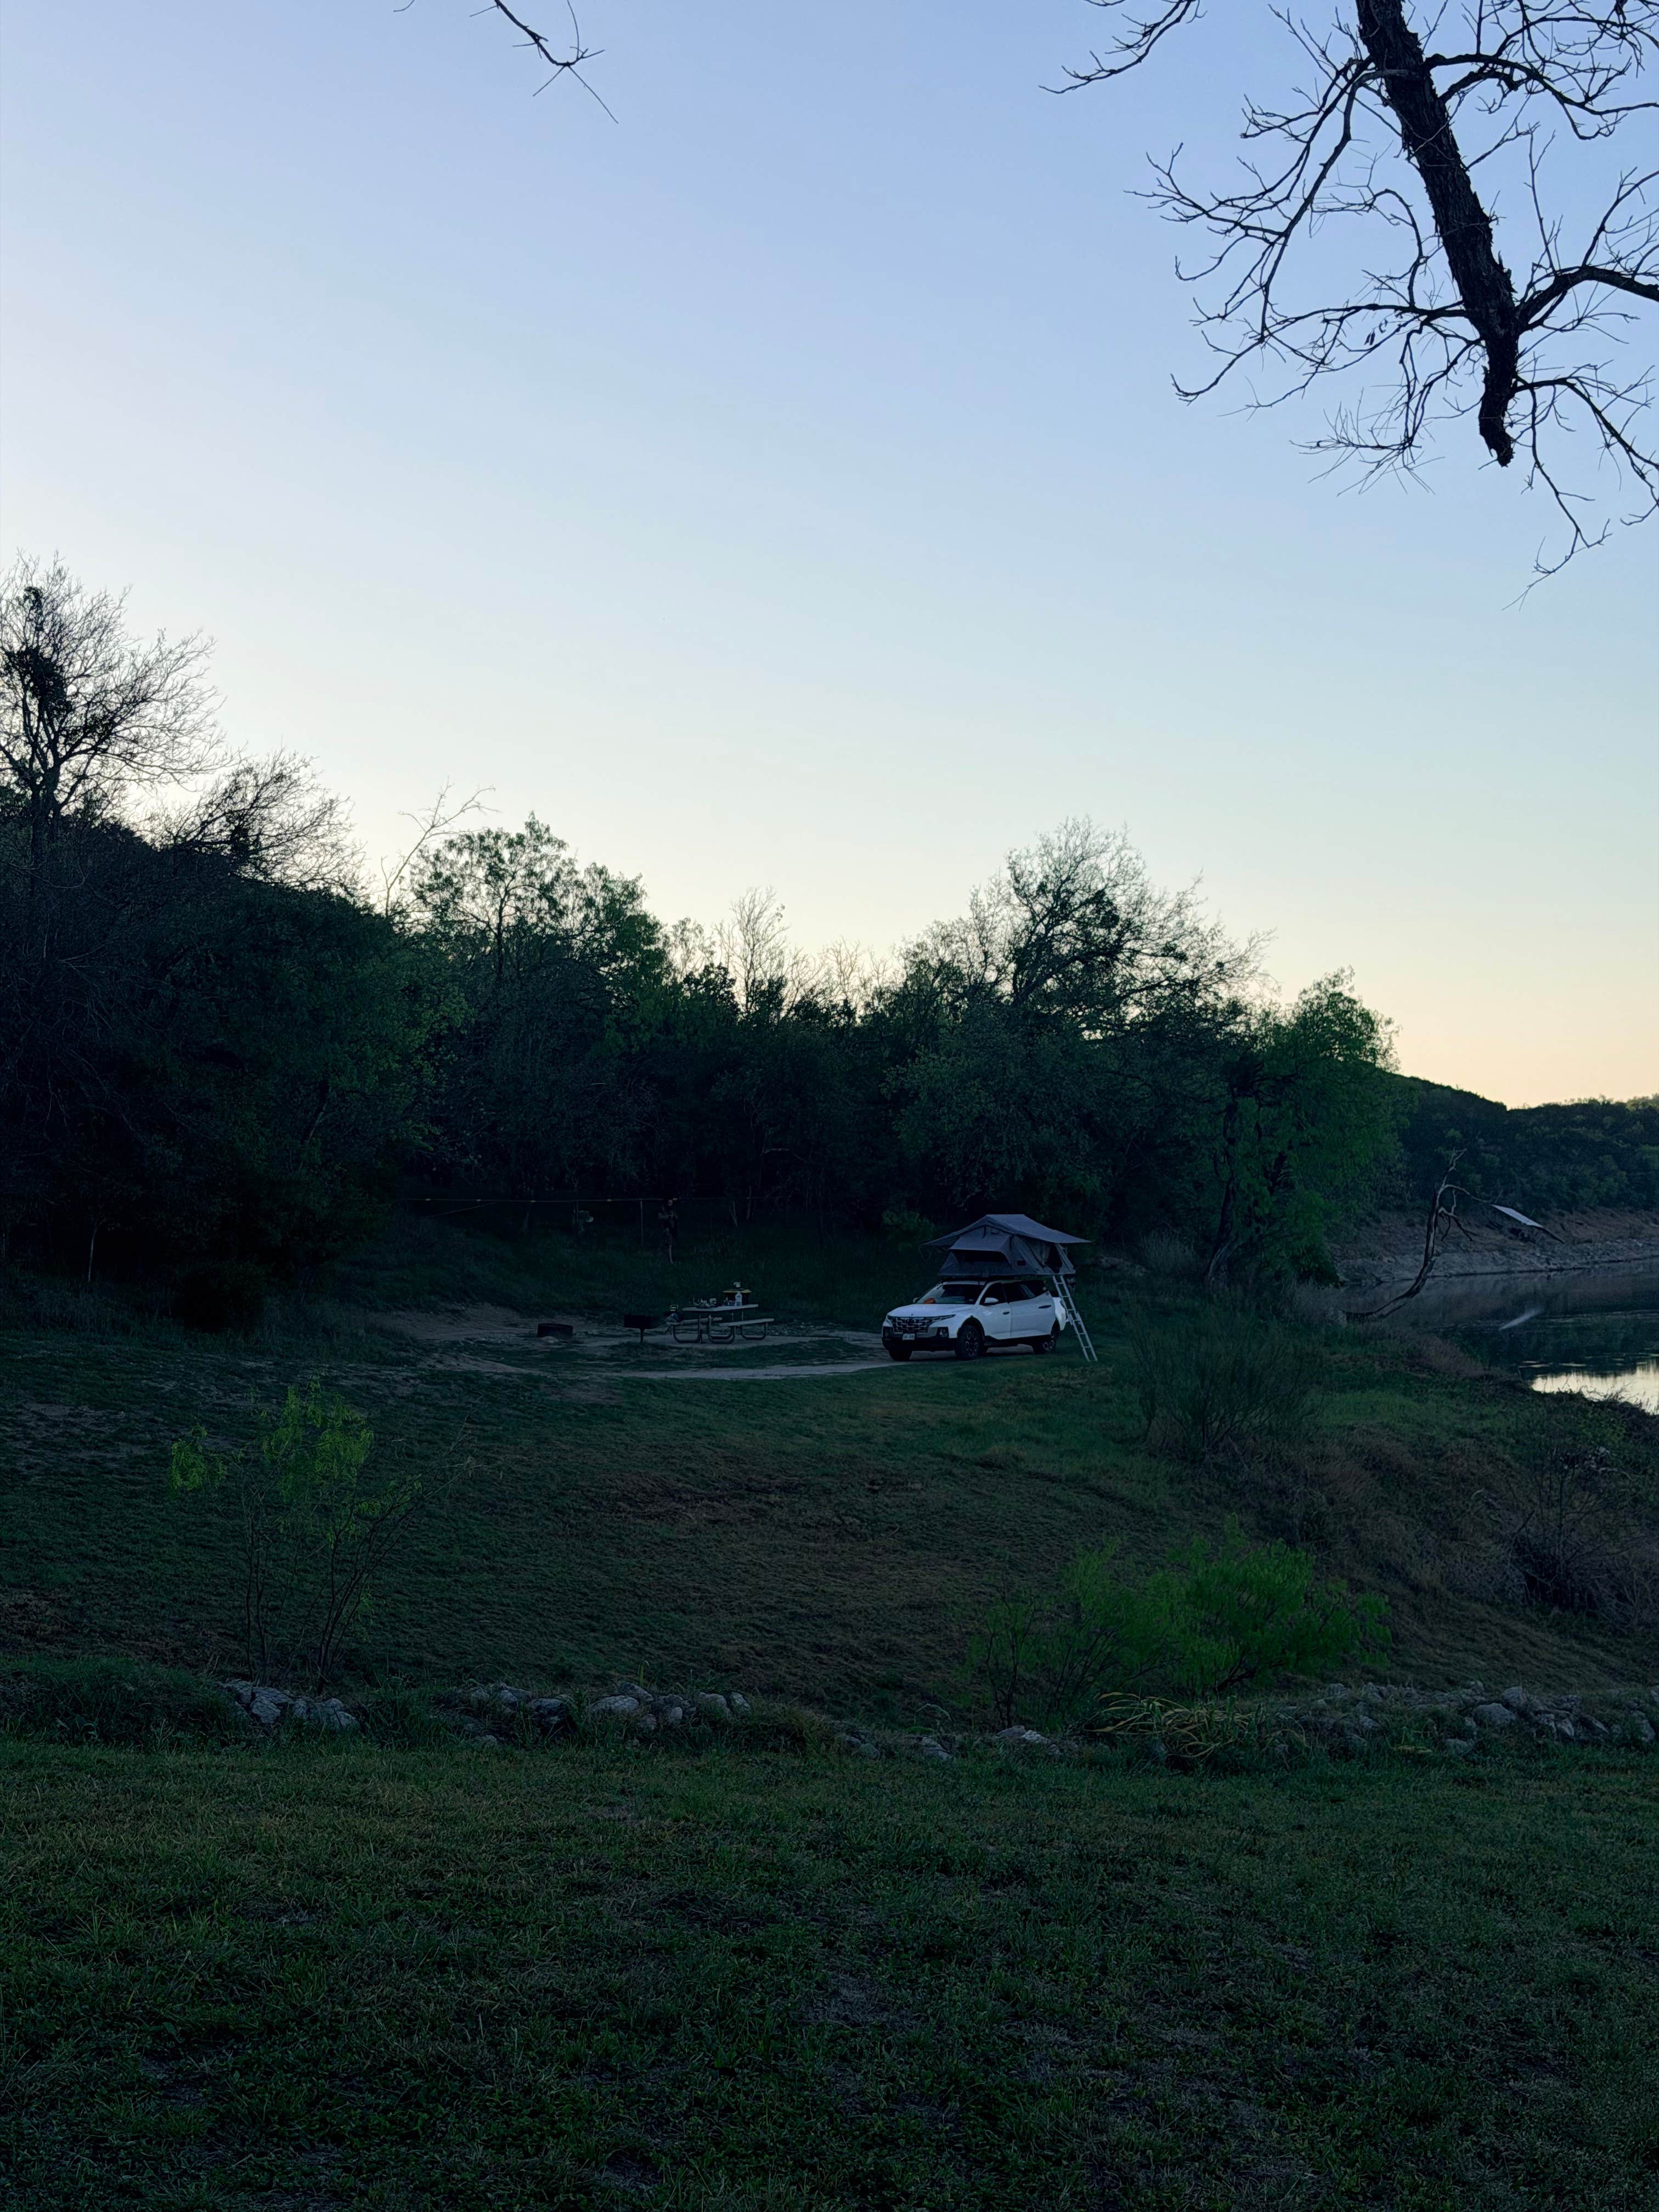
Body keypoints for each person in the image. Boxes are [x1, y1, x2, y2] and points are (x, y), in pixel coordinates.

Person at [658, 1197, 679, 1264]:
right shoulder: (664, 1210)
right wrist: (668, 1217)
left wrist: (675, 1217)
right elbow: (660, 1217)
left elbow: (677, 1217)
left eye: (671, 1203)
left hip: (674, 1228)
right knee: (669, 1245)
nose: (670, 1204)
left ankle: (672, 1258)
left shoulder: (673, 1210)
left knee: (673, 1244)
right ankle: (670, 1261)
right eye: (669, 1203)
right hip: (668, 1229)